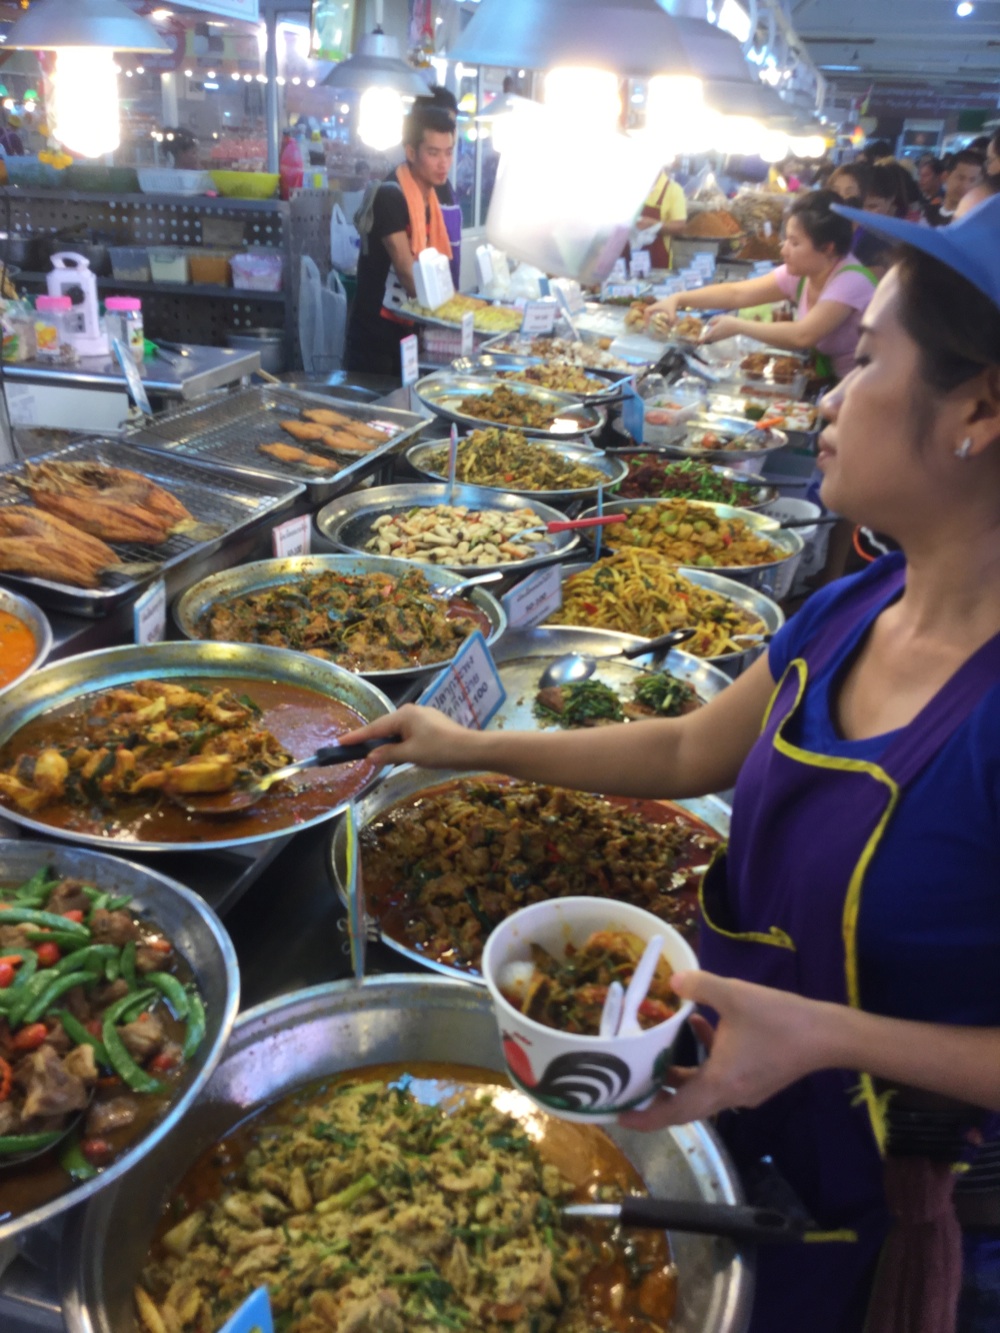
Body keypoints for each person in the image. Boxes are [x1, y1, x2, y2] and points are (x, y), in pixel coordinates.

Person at [343, 195, 1000, 1333]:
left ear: (979, 410)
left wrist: (828, 1036)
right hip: (719, 1110)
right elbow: (692, 745)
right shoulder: (851, 606)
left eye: (871, 358)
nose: (831, 396)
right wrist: (468, 743)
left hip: (872, 1197)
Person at [645, 190, 877, 380]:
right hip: (836, 385)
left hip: (867, 393)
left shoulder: (850, 281)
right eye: (786, 239)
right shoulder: (803, 272)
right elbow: (736, 293)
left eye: (795, 243)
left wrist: (739, 325)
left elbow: (802, 336)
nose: (783, 249)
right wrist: (678, 299)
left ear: (828, 248)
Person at [345, 102, 455, 377]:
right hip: (375, 342)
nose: (444, 163)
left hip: (407, 335)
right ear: (410, 152)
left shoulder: (433, 196)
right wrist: (458, 315)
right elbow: (408, 274)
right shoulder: (390, 196)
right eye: (433, 153)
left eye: (449, 153)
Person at [635, 164, 687, 270]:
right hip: (624, 261)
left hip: (657, 262)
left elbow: (680, 227)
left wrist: (653, 225)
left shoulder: (673, 190)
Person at [926, 149, 984, 226]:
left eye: (972, 180)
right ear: (945, 177)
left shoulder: (976, 222)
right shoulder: (926, 213)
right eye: (960, 178)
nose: (965, 186)